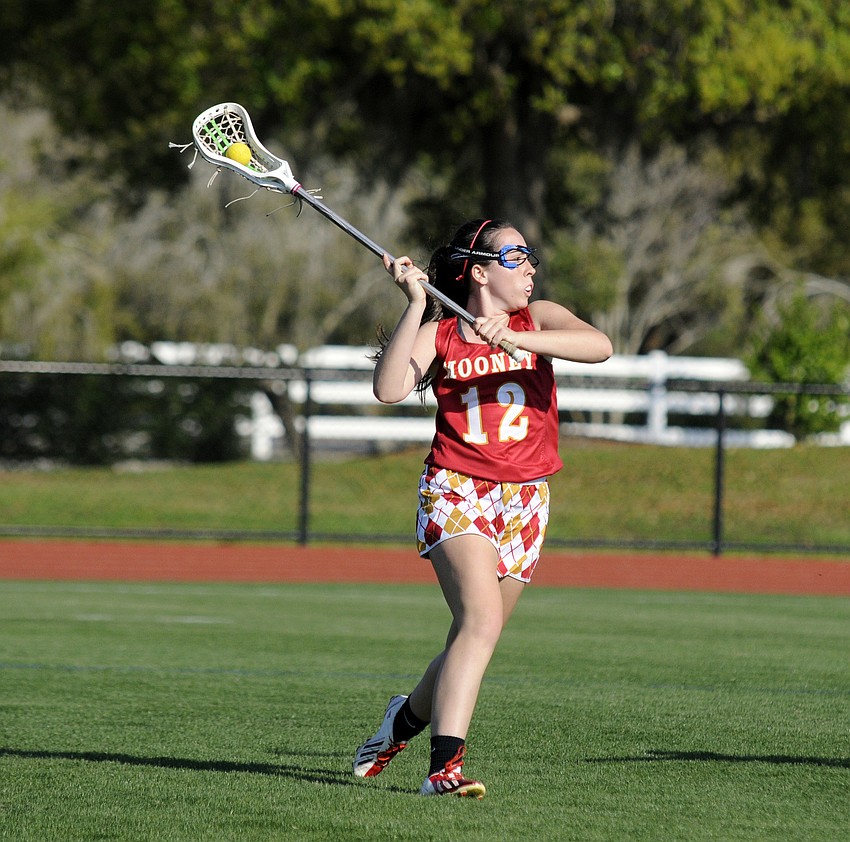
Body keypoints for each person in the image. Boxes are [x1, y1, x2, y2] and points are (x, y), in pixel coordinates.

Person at [352, 218, 613, 798]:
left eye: (530, 255)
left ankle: (403, 721)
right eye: (516, 257)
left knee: (470, 637)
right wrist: (416, 304)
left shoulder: (538, 317)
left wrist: (518, 339)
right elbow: (389, 388)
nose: (530, 267)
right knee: (481, 622)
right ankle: (443, 770)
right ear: (478, 271)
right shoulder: (444, 332)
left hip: (526, 498)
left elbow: (599, 347)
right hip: (456, 488)